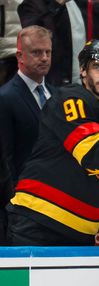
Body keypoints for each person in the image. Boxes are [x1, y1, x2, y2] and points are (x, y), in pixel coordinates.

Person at [5, 40, 99, 245]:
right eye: (98, 67)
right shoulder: (71, 98)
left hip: (80, 231)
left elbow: (96, 175)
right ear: (83, 69)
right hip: (40, 222)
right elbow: (93, 155)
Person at [18, 0, 99, 86]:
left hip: (89, 87)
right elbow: (36, 36)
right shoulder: (32, 5)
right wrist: (56, 4)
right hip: (53, 87)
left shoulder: (85, 5)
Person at [0, 25, 54, 185]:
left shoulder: (56, 94)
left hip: (55, 190)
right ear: (20, 56)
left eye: (48, 52)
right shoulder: (5, 98)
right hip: (22, 191)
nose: (44, 58)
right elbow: (5, 159)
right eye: (37, 52)